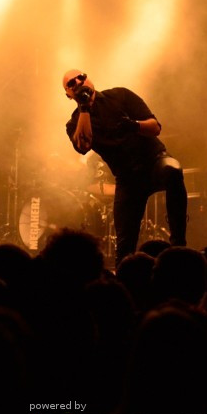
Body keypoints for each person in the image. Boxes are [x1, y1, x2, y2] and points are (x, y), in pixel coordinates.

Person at [62, 69, 187, 266]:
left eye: (82, 77)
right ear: (68, 94)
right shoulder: (74, 123)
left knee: (173, 170)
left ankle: (179, 244)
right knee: (124, 247)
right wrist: (84, 108)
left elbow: (155, 127)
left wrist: (133, 125)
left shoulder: (120, 95)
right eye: (71, 83)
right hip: (127, 178)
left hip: (154, 160)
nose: (78, 82)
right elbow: (83, 145)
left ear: (90, 79)